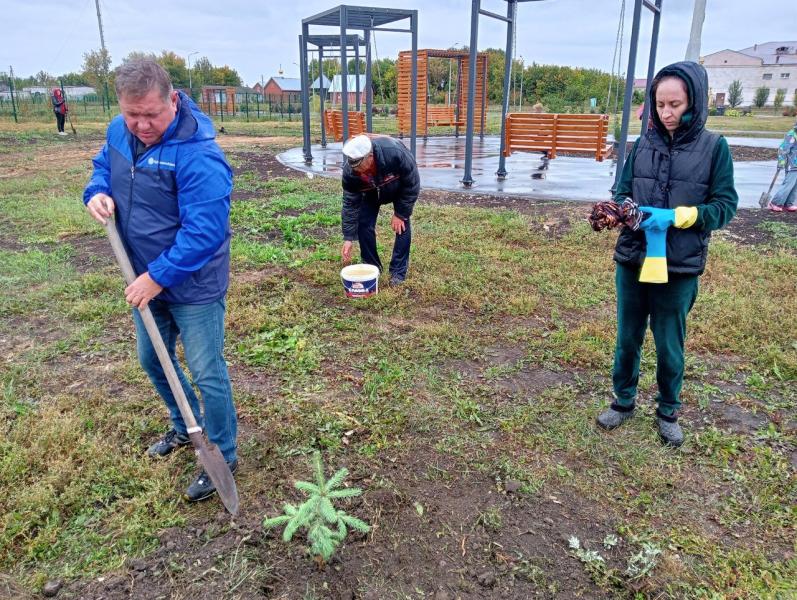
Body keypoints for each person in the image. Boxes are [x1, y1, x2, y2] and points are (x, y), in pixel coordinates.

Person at [82, 59, 237, 502]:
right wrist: (96, 192)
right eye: (133, 114)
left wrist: (158, 277)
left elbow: (205, 232)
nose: (141, 125)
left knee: (207, 371)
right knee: (153, 360)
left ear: (173, 99)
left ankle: (222, 453)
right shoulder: (120, 130)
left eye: (151, 114)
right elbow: (102, 166)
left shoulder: (198, 154)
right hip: (143, 277)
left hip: (192, 285)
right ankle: (182, 425)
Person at [596, 61, 738, 447]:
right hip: (633, 260)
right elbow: (623, 190)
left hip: (679, 266)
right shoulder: (642, 145)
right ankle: (623, 401)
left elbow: (725, 206)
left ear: (694, 101)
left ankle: (668, 411)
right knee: (628, 337)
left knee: (669, 342)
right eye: (660, 104)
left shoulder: (714, 148)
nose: (666, 113)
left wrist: (683, 216)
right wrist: (619, 210)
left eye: (675, 104)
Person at [340, 134, 420, 286]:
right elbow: (350, 204)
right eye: (353, 167)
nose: (357, 171)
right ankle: (372, 266)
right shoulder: (351, 172)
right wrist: (348, 237)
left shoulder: (394, 152)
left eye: (359, 167)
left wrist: (400, 213)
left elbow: (412, 183)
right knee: (363, 224)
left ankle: (398, 272)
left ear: (370, 156)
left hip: (397, 186)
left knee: (402, 225)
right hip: (370, 191)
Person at [768, 120, 797, 212]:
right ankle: (776, 202)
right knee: (788, 184)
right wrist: (781, 162)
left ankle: (788, 203)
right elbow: (782, 149)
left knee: (795, 185)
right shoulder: (792, 134)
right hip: (792, 164)